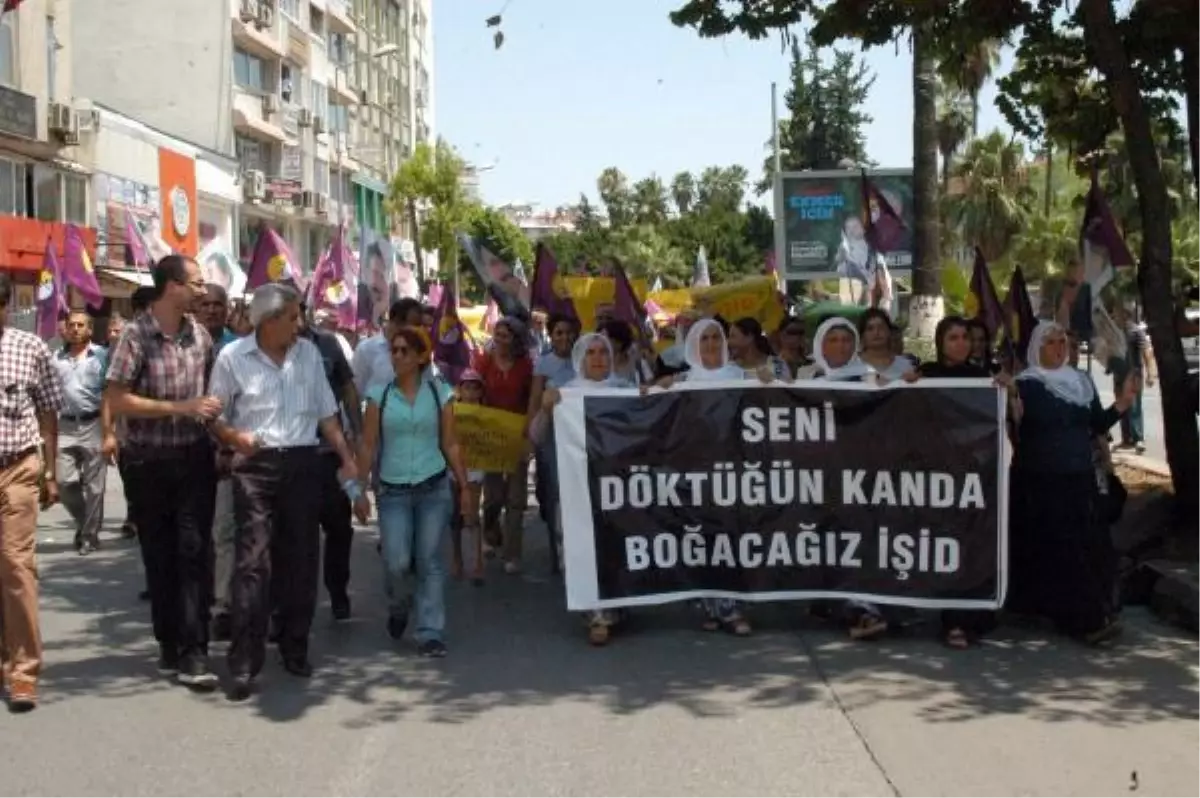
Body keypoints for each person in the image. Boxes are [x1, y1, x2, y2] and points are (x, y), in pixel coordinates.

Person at [208, 283, 358, 701]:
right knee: (252, 562)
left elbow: (328, 415)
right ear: (270, 320)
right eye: (292, 317)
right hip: (254, 468)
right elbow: (214, 414)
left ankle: (295, 647)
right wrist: (233, 436)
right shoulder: (232, 357)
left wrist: (346, 458)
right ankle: (243, 661)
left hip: (303, 464)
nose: (300, 325)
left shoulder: (309, 355)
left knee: (301, 559)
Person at [104, 255, 222, 690]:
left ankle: (195, 650)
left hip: (194, 459)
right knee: (160, 555)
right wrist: (179, 408)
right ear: (172, 286)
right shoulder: (135, 337)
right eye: (196, 282)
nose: (203, 290)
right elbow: (117, 399)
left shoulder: (202, 337)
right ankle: (169, 641)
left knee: (194, 553)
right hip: (147, 463)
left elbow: (210, 395)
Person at [1009, 320, 1137, 644]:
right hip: (1040, 479)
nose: (1059, 347)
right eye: (1051, 342)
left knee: (1084, 546)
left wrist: (1121, 405)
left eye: (1062, 341)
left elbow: (1095, 425)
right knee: (1062, 549)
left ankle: (1085, 611)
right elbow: (1014, 426)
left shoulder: (1081, 382)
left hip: (1079, 478)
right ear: (1037, 349)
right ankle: (1086, 621)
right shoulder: (1026, 385)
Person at [355, 326, 470, 658]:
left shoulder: (440, 394)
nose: (397, 356)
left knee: (430, 560)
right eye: (394, 350)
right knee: (397, 561)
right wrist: (359, 490)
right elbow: (368, 445)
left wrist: (464, 485)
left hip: (433, 487)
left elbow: (450, 442)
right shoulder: (379, 397)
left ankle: (430, 631)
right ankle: (398, 605)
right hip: (393, 492)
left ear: (422, 357)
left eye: (405, 351)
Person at [651, 318, 763, 636]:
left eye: (717, 338)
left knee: (732, 540)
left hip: (733, 473)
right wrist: (654, 390)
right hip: (692, 474)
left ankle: (733, 607)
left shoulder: (743, 378)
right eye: (705, 340)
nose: (712, 345)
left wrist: (769, 385)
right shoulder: (681, 381)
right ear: (693, 346)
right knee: (700, 540)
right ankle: (709, 607)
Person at [917, 316, 1010, 648]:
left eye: (964, 338)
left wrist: (1007, 390)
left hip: (977, 472)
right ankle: (952, 620)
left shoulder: (982, 377)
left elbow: (1005, 419)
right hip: (941, 474)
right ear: (941, 342)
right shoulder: (926, 374)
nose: (960, 343)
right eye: (952, 337)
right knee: (947, 544)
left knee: (975, 544)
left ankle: (975, 617)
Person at [540, 333, 634, 645]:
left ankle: (617, 609)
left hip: (618, 486)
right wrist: (545, 408)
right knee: (584, 548)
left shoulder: (625, 390)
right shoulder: (566, 393)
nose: (598, 358)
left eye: (603, 352)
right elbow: (535, 434)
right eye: (591, 353)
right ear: (581, 359)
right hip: (578, 488)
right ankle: (595, 616)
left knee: (615, 546)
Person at [0, 273, 64, 712]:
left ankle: (23, 672)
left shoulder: (29, 349)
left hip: (16, 468)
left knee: (16, 566)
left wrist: (49, 473)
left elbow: (48, 411)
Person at [297, 299, 363, 621]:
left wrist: (357, 433)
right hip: (292, 456)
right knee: (298, 534)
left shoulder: (327, 344)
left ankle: (338, 590)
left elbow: (348, 387)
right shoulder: (263, 349)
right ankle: (294, 603)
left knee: (339, 528)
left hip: (330, 452)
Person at [473, 316, 534, 573]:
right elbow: (471, 393)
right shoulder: (483, 363)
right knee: (493, 497)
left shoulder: (526, 366)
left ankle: (512, 554)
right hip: (489, 437)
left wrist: (528, 436)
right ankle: (490, 534)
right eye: (497, 335)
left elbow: (533, 398)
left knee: (516, 499)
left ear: (516, 339)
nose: (499, 340)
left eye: (505, 336)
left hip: (516, 435)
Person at [52, 310, 108, 555]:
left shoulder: (102, 357)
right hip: (65, 425)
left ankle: (89, 537)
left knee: (96, 487)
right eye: (71, 324)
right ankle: (86, 521)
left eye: (80, 325)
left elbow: (110, 395)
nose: (75, 329)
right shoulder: (56, 358)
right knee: (64, 482)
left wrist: (111, 431)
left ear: (89, 330)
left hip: (93, 424)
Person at [527, 312, 579, 555]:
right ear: (552, 335)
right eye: (559, 332)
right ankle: (557, 537)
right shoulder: (544, 363)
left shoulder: (583, 358)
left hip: (578, 434)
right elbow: (536, 399)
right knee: (554, 486)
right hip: (551, 434)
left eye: (568, 332)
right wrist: (530, 434)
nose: (564, 337)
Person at [451, 369, 487, 585]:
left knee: (471, 515)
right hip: (453, 471)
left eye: (475, 387)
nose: (471, 392)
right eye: (467, 387)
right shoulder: (451, 412)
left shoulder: (487, 415)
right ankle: (457, 559)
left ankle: (477, 562)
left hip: (475, 471)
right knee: (455, 517)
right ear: (459, 390)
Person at [352, 298, 425, 397]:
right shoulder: (366, 349)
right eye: (413, 326)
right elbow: (355, 390)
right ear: (397, 322)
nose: (416, 331)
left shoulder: (419, 352)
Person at [1110, 305, 1154, 454]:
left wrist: (1150, 373)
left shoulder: (1136, 331)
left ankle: (1138, 439)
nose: (1114, 317)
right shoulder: (1114, 333)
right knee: (1121, 406)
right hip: (1118, 375)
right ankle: (1125, 439)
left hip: (1133, 374)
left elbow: (1146, 351)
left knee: (1134, 406)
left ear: (1125, 314)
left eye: (1116, 313)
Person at [858, 308, 916, 380]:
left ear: (889, 332)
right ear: (862, 336)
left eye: (881, 327)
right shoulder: (852, 366)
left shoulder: (905, 366)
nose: (876, 332)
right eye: (870, 329)